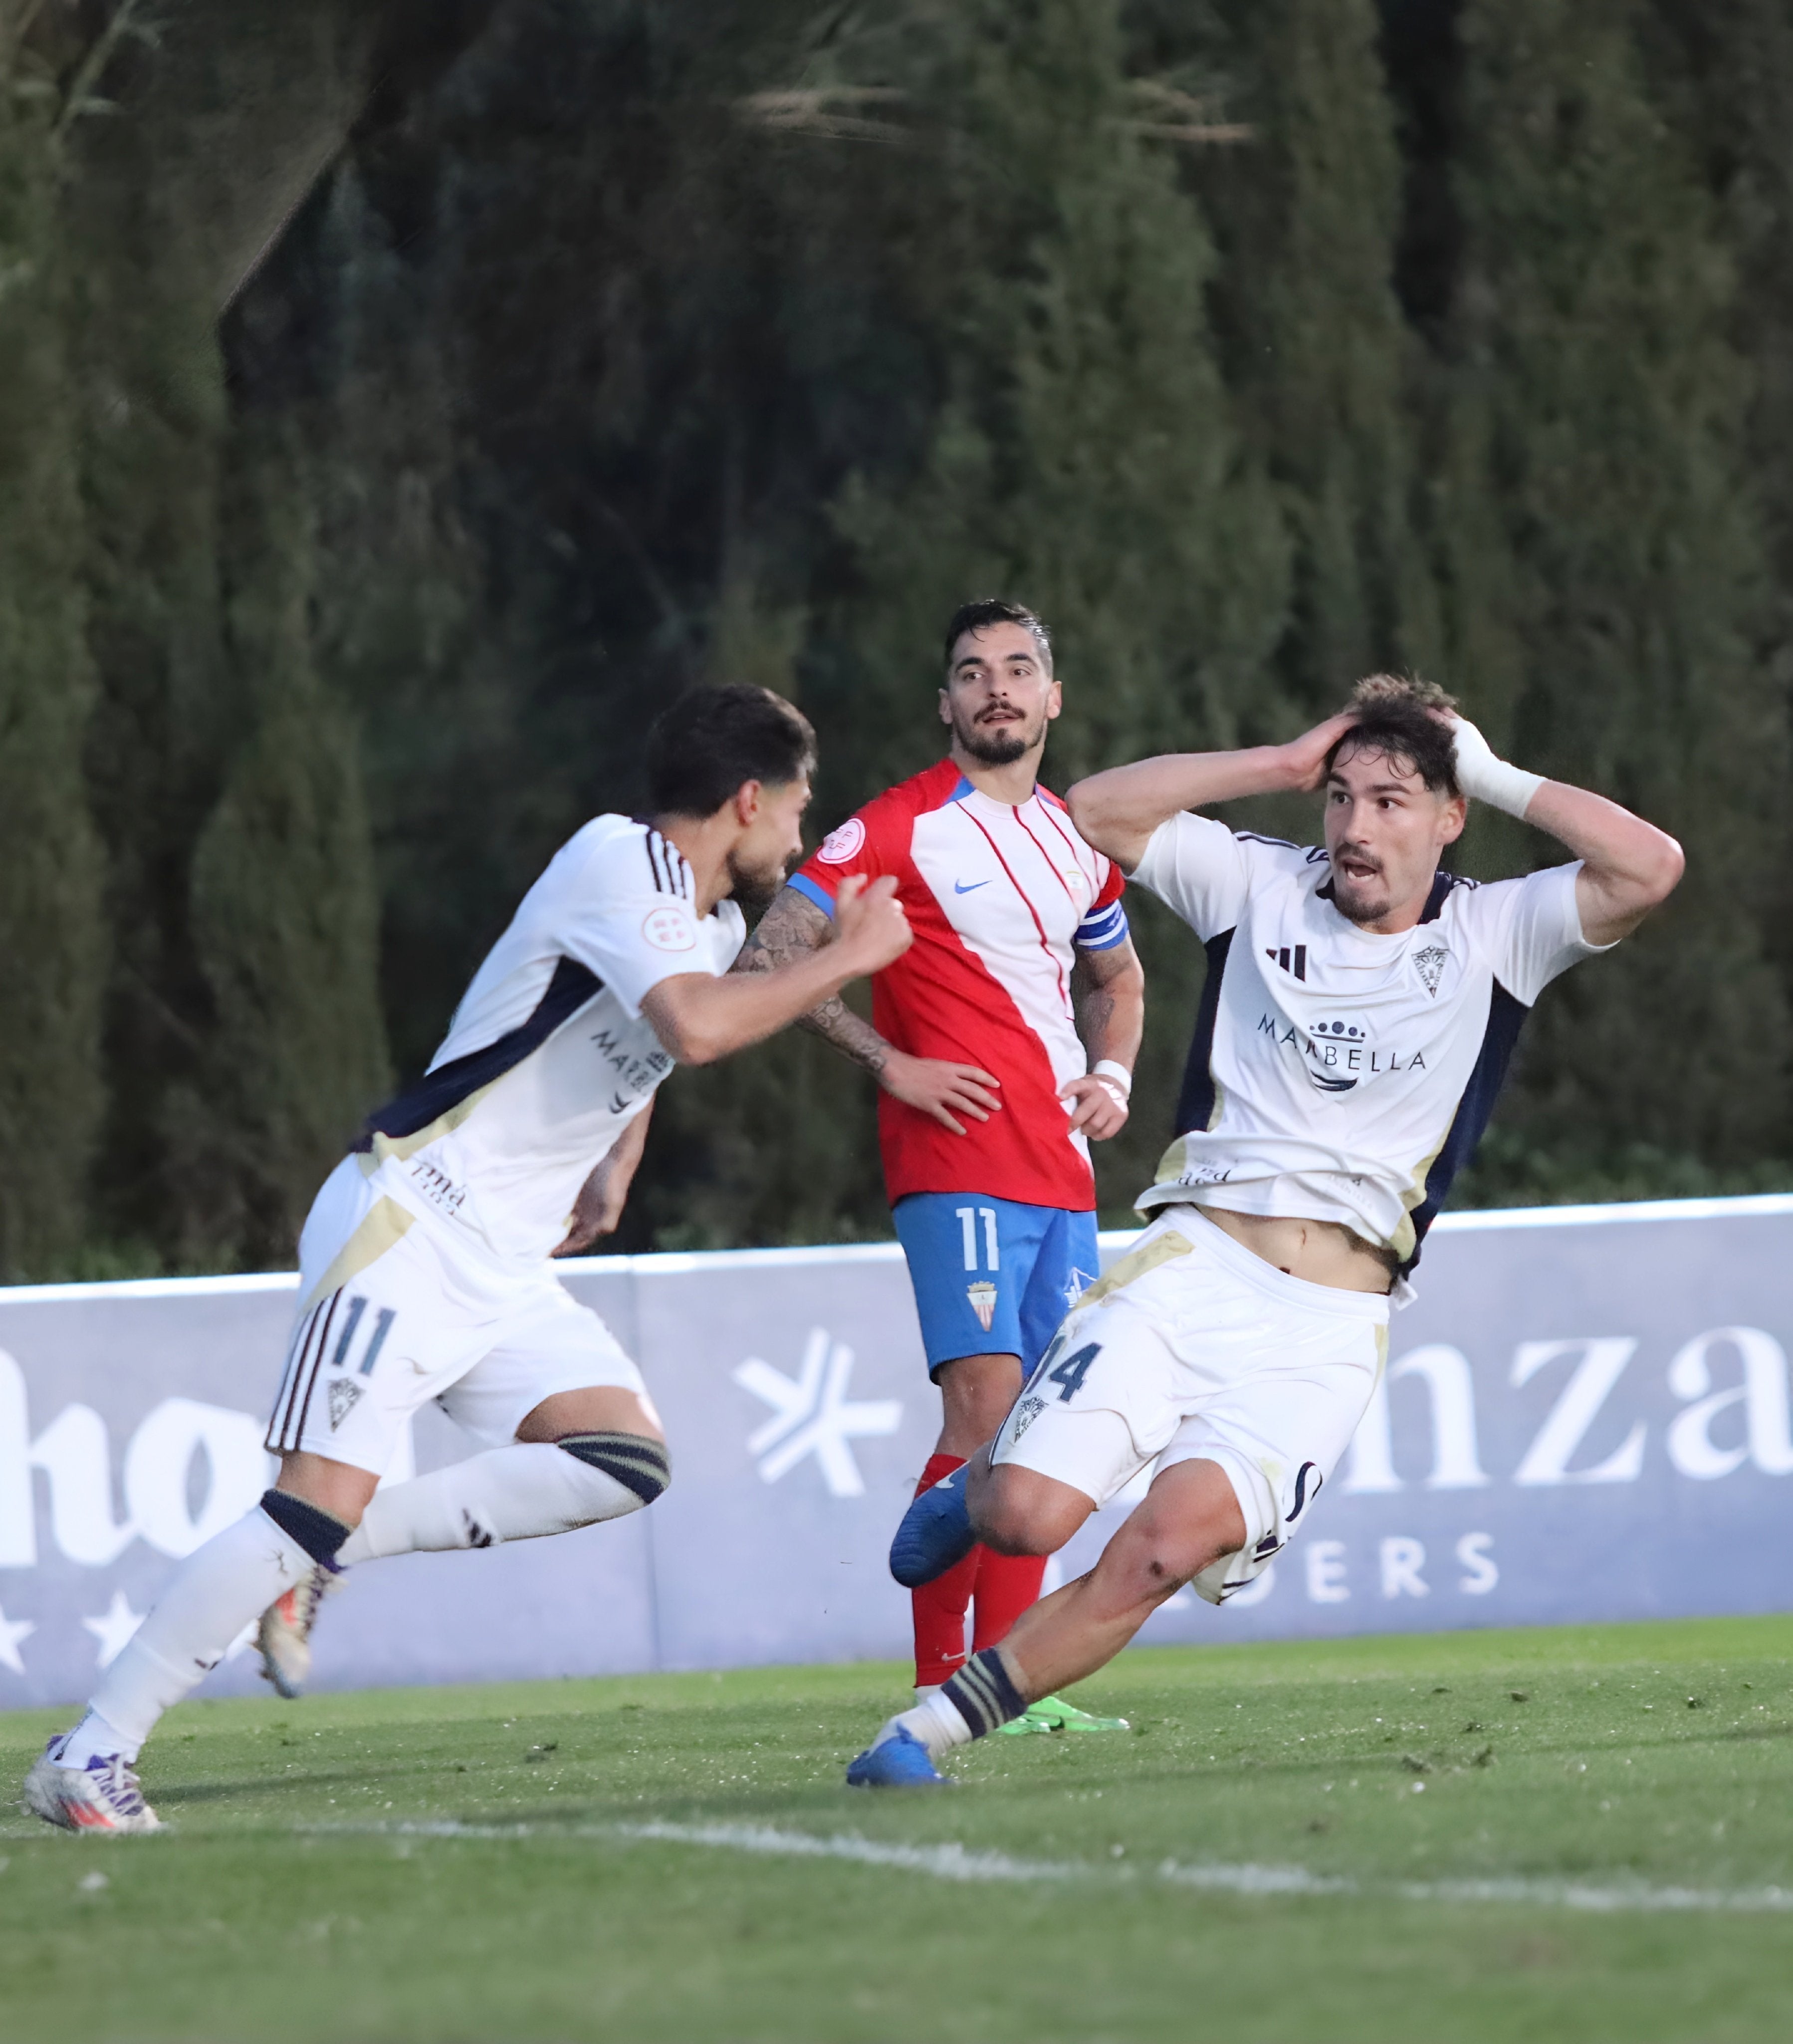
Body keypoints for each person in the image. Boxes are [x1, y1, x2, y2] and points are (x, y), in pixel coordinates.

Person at [25, 684, 912, 1834]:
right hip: (408, 1219)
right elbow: (695, 1024)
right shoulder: (618, 857)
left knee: (621, 1458)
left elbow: (662, 1035)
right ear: (748, 800)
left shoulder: (713, 926)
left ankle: (328, 1555)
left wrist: (617, 1155)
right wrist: (853, 958)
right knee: (305, 1504)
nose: (798, 835)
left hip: (500, 1257)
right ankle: (90, 1754)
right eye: (797, 809)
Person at [847, 673, 1684, 1785]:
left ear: (1449, 816)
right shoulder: (1258, 883)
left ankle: (922, 1735)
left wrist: (1484, 766)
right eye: (1339, 797)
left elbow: (1651, 866)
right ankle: (983, 1478)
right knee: (1021, 1520)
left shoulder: (1497, 930)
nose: (1354, 826)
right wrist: (1280, 762)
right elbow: (1091, 811)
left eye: (1391, 801)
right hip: (1195, 1267)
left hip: (1328, 1330)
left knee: (1157, 1553)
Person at [737, 599, 1144, 1734]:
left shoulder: (1074, 839)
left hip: (1062, 1170)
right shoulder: (895, 827)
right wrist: (890, 1062)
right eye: (973, 672)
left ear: (1054, 696)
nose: (998, 688)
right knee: (989, 1408)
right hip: (955, 1160)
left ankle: (1007, 1690)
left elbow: (1122, 981)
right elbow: (770, 953)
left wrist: (1111, 1078)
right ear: (947, 704)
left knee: (1042, 1431)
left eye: (1020, 669)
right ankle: (936, 1685)